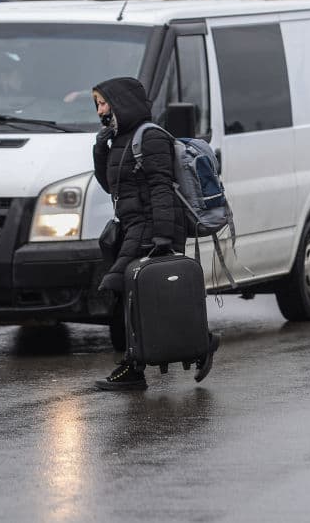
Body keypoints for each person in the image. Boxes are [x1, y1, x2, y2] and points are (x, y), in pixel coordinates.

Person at [90, 77, 219, 390]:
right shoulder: (119, 140)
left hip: (154, 227)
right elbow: (113, 187)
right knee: (135, 297)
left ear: (122, 103)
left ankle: (136, 366)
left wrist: (163, 239)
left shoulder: (151, 138)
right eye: (97, 105)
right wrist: (100, 149)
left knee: (123, 288)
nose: (100, 111)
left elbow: (162, 188)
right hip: (133, 226)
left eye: (104, 103)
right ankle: (192, 344)